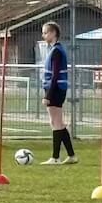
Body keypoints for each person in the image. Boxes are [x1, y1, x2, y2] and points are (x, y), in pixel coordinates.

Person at [40, 21, 77, 165]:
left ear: (53, 33)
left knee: (55, 123)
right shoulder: (54, 50)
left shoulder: (56, 51)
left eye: (45, 32)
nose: (43, 36)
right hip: (56, 89)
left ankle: (55, 157)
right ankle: (72, 156)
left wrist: (48, 95)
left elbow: (55, 75)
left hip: (55, 90)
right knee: (58, 123)